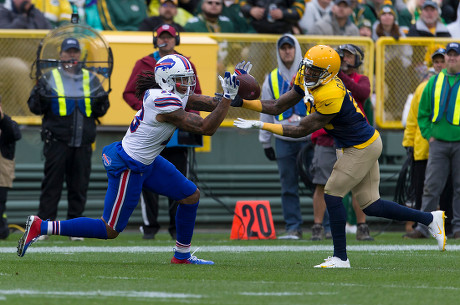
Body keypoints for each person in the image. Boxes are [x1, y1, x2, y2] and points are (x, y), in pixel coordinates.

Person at [232, 44, 447, 268]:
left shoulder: (331, 92)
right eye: (307, 68)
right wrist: (242, 102)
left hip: (361, 146)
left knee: (333, 193)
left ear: (328, 73)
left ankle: (341, 257)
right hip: (357, 143)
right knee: (371, 205)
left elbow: (301, 129)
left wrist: (261, 125)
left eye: (315, 71)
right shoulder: (307, 76)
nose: (308, 74)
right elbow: (277, 105)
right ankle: (430, 219)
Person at [18, 54, 240, 265]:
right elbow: (205, 127)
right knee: (109, 229)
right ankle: (42, 226)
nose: (187, 84)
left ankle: (182, 255)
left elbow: (204, 101)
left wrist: (236, 97)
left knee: (190, 195)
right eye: (181, 80)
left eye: (187, 79)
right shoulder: (164, 101)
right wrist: (227, 99)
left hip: (148, 161)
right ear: (166, 80)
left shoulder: (164, 93)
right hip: (130, 166)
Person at [123, 23, 202, 240]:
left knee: (177, 180)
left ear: (176, 39)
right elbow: (129, 93)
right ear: (155, 40)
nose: (164, 40)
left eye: (169, 37)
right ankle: (150, 227)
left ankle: (177, 228)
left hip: (177, 135)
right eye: (161, 37)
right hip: (152, 135)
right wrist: (149, 108)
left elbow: (197, 95)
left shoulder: (186, 64)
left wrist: (186, 116)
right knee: (147, 183)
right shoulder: (144, 63)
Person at [27, 38, 110, 241]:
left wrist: (101, 98)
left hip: (83, 142)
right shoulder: (48, 78)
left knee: (79, 187)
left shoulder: (91, 79)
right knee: (51, 186)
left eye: (75, 52)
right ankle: (44, 227)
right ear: (61, 55)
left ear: (79, 55)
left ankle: (75, 229)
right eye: (68, 52)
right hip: (57, 141)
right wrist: (39, 93)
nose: (72, 56)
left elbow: (102, 108)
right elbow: (34, 107)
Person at [410, 42, 460, 240]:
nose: (452, 58)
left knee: (459, 187)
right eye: (449, 55)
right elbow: (422, 114)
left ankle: (457, 227)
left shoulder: (433, 81)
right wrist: (429, 134)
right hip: (437, 142)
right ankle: (424, 226)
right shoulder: (433, 82)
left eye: (455, 55)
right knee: (431, 186)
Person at [258, 34, 306, 240]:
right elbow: (265, 109)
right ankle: (293, 226)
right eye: (283, 47)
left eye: (290, 47)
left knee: (322, 184)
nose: (287, 51)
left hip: (308, 137)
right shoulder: (271, 78)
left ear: (296, 49)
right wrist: (265, 141)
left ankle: (326, 225)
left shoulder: (309, 74)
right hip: (284, 139)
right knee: (288, 185)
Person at [0, 96, 22, 239]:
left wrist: (2, 118)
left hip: (2, 173)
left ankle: (2, 230)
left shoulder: (8, 123)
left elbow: (15, 134)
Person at [239, 0, 305, 34]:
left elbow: (299, 10)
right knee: (253, 59)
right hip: (258, 34)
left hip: (282, 35)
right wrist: (251, 10)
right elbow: (241, 4)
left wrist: (283, 13)